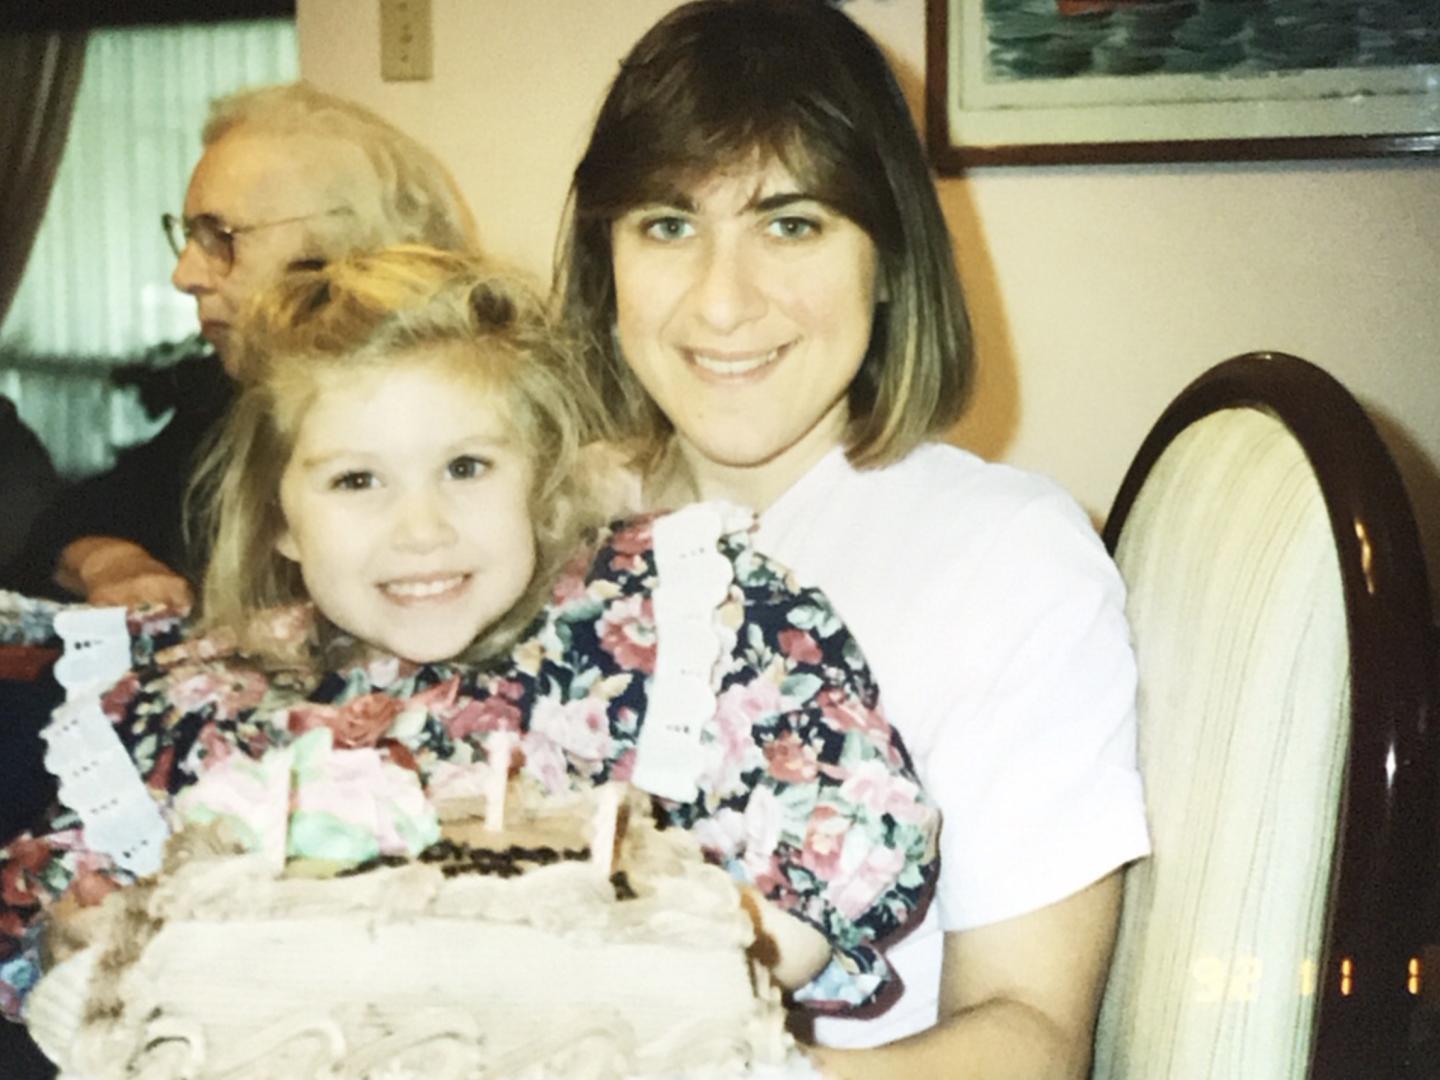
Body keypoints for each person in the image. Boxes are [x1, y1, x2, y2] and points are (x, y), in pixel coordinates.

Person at [1, 246, 938, 1031]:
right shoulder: (207, 698)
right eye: (356, 482)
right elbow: (58, 914)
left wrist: (672, 982)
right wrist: (77, 941)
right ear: (280, 517)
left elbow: (844, 833)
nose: (421, 530)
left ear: (537, 475)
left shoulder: (681, 621)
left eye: (465, 467)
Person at [554, 1, 1150, 1076]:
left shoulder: (1008, 562)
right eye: (667, 225)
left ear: (889, 255)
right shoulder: (533, 531)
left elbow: (1030, 1036)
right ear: (607, 263)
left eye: (791, 223)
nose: (723, 304)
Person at [28, 81, 477, 612]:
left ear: (343, 254)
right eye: (190, 236)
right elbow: (72, 520)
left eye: (220, 237)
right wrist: (113, 561)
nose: (184, 274)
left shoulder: (468, 411)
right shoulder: (227, 400)